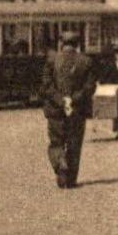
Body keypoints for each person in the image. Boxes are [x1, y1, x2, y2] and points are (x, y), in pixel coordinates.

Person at [39, 29, 98, 188]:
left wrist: (61, 100)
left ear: (61, 43)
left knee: (56, 142)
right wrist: (72, 100)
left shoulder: (52, 60)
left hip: (56, 110)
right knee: (74, 143)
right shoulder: (86, 61)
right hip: (77, 110)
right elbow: (89, 87)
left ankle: (60, 162)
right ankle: (70, 179)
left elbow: (46, 86)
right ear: (77, 44)